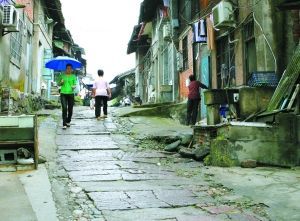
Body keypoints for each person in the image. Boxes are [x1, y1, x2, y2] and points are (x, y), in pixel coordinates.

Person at [58, 64, 77, 129]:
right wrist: (61, 82)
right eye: (67, 68)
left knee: (70, 109)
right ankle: (64, 123)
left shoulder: (73, 76)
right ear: (65, 69)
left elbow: (75, 85)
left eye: (70, 68)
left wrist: (73, 86)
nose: (69, 70)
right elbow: (58, 83)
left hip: (71, 93)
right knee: (64, 108)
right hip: (63, 93)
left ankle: (68, 121)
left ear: (72, 69)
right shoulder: (62, 76)